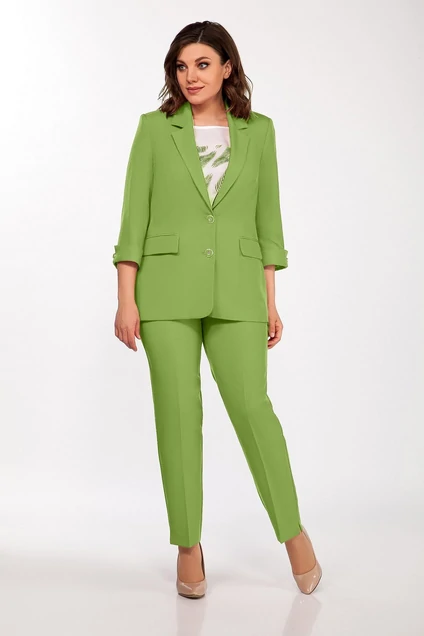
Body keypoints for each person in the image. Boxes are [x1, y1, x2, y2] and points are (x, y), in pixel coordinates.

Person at [112, 20, 322, 598]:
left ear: (227, 67)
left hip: (238, 289)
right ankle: (188, 545)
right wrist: (126, 298)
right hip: (164, 293)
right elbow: (133, 219)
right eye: (181, 67)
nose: (191, 76)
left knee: (253, 409)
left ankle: (293, 532)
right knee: (178, 416)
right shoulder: (155, 129)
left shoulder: (260, 131)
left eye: (203, 64)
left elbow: (268, 221)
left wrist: (270, 301)